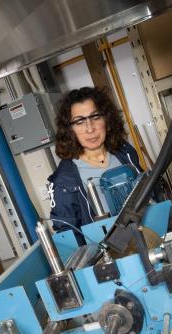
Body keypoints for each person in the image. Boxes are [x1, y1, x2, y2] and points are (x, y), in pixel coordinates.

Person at [47, 86, 145, 244]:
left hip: (146, 235)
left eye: (95, 117)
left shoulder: (125, 152)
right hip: (107, 253)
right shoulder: (64, 179)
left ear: (106, 119)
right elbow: (68, 235)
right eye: (79, 121)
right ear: (69, 129)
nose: (90, 128)